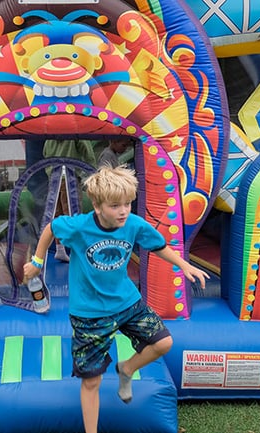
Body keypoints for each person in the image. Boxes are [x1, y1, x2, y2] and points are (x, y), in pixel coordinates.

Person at [23, 165, 209, 433]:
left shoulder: (133, 224)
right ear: (97, 206)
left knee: (163, 342)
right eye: (115, 206)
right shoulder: (79, 227)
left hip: (126, 303)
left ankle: (127, 368)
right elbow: (51, 228)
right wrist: (37, 261)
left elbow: (159, 246)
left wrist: (184, 265)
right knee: (92, 381)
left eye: (127, 204)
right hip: (89, 314)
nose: (123, 211)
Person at [43, 139, 97, 262]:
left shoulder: (50, 137)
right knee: (73, 214)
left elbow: (45, 153)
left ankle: (60, 249)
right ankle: (76, 251)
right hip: (69, 177)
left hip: (53, 177)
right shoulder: (74, 133)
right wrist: (92, 171)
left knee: (57, 215)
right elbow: (87, 151)